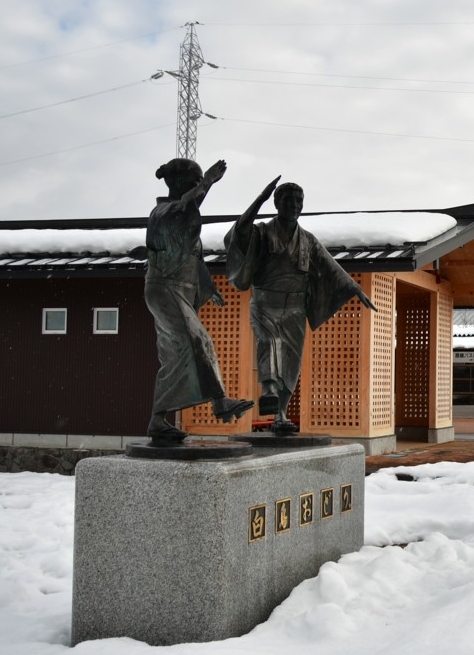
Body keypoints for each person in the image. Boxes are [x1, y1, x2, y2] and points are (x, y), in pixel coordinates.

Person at [224, 179, 376, 434]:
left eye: (298, 201)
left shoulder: (307, 239)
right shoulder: (262, 232)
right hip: (265, 304)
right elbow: (239, 232)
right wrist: (259, 200)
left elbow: (331, 266)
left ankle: (280, 413)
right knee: (269, 342)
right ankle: (268, 389)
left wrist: (355, 288)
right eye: (288, 200)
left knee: (292, 363)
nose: (294, 205)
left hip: (295, 308)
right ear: (276, 203)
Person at [145, 158, 254, 445]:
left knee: (175, 356)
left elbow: (196, 261)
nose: (197, 187)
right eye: (192, 182)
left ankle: (158, 420)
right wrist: (208, 182)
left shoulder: (181, 214)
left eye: (198, 182)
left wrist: (208, 288)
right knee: (198, 340)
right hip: (165, 288)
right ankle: (219, 401)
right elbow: (185, 207)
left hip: (179, 289)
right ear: (176, 182)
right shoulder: (163, 212)